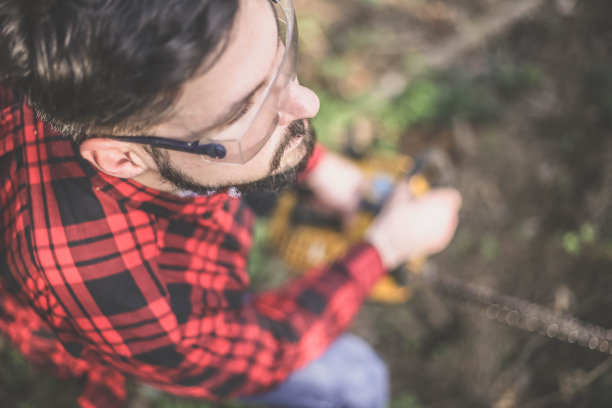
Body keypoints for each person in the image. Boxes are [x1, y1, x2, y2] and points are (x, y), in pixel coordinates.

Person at [0, 0, 462, 407]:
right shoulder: (112, 282)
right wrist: (383, 247)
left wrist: (316, 165)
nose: (310, 102)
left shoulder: (159, 120)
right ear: (121, 158)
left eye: (282, 53)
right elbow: (258, 357)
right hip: (128, 335)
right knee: (357, 381)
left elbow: (224, 122)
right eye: (246, 112)